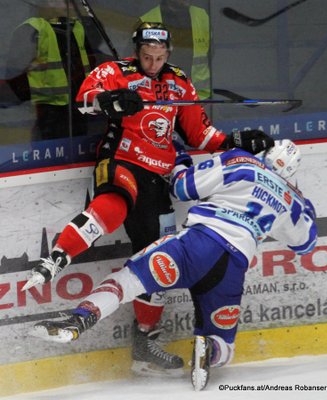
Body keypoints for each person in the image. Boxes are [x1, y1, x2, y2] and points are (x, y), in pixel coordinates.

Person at [23, 21, 274, 377]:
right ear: (137, 51)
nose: (152, 63)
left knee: (156, 262)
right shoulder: (117, 71)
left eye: (159, 57)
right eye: (146, 56)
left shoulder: (178, 81)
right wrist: (109, 100)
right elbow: (84, 100)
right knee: (115, 202)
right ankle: (57, 258)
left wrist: (235, 141)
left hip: (159, 179)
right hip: (122, 161)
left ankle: (143, 344)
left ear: (167, 53)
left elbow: (200, 133)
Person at [26, 139, 317, 391]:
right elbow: (305, 244)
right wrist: (303, 202)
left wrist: (178, 156)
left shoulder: (241, 161)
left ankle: (81, 317)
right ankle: (210, 350)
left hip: (197, 245)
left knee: (127, 281)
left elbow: (182, 187)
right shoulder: (292, 199)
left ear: (265, 154)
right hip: (233, 267)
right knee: (226, 346)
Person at [5, 1, 106, 140]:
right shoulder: (32, 30)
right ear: (49, 2)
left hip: (81, 112)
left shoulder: (78, 28)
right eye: (64, 1)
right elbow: (15, 78)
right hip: (47, 114)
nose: (71, 4)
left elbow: (89, 63)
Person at [138, 0, 211, 99]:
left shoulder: (202, 16)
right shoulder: (146, 22)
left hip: (201, 100)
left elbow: (211, 54)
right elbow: (134, 66)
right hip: (161, 103)